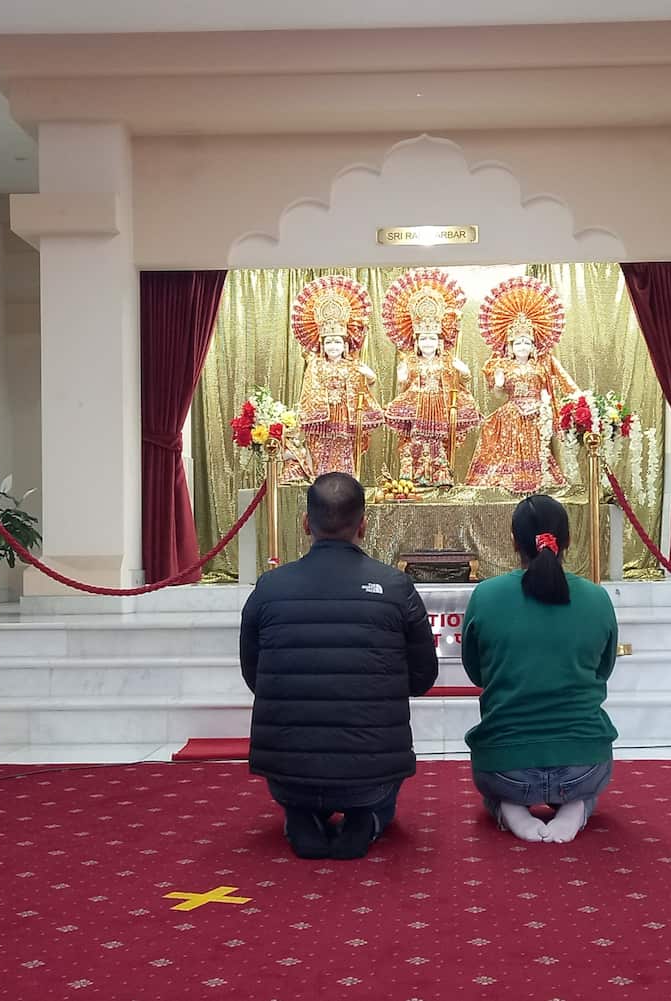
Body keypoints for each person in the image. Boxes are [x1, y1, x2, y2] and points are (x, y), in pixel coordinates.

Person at [240, 472, 439, 859]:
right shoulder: (395, 587)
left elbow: (256, 676)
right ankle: (367, 818)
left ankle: (300, 814)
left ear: (304, 523)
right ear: (363, 525)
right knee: (375, 791)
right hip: (372, 775)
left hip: (288, 770)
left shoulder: (269, 587)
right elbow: (422, 678)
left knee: (297, 786)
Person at [460, 494, 619, 843]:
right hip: (584, 765)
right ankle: (576, 806)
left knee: (495, 782)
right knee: (587, 780)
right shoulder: (597, 598)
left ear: (514, 541)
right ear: (568, 541)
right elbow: (602, 670)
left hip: (505, 767)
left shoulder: (486, 595)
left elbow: (477, 673)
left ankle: (508, 806)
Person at [466, 275, 578, 493]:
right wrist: (499, 384)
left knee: (538, 451)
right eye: (518, 342)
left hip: (537, 414)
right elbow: (498, 395)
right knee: (508, 451)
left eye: (527, 342)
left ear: (534, 345)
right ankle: (511, 482)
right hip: (512, 414)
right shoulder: (501, 365)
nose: (523, 346)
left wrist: (566, 401)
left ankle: (536, 482)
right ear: (510, 346)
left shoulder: (544, 363)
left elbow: (562, 384)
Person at [381, 268, 482, 484]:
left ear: (439, 341)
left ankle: (440, 474)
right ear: (417, 341)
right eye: (424, 339)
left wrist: (463, 371)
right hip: (417, 405)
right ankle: (415, 476)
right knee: (416, 439)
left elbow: (462, 380)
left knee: (438, 441)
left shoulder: (446, 360)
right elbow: (403, 385)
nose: (428, 343)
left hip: (440, 405)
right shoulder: (409, 360)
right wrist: (402, 378)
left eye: (432, 339)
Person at [291, 275, 384, 478]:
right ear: (322, 345)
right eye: (329, 342)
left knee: (345, 456)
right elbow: (309, 393)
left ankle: (346, 494)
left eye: (337, 342)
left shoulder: (354, 365)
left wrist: (370, 378)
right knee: (321, 456)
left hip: (346, 416)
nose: (333, 346)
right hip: (321, 419)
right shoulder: (315, 365)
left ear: (345, 345)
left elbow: (365, 389)